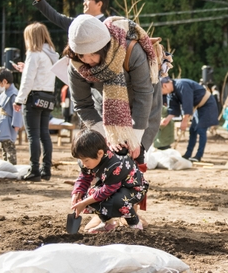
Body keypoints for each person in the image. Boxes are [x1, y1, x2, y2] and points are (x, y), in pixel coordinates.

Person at [66, 15, 162, 166]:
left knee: (133, 155)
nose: (88, 60)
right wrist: (106, 135)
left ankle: (132, 185)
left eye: (93, 53)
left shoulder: (130, 51)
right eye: (81, 55)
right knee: (103, 157)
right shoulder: (76, 67)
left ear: (105, 47)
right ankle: (101, 187)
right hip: (105, 110)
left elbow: (144, 94)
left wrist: (135, 139)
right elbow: (82, 104)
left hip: (143, 105)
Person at [70, 130, 148, 233]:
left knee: (119, 201)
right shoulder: (88, 160)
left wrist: (84, 203)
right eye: (81, 160)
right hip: (113, 187)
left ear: (100, 153)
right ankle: (108, 223)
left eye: (86, 160)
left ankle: (135, 224)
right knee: (87, 195)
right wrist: (77, 193)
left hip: (133, 188)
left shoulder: (114, 165)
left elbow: (107, 190)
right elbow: (84, 177)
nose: (84, 164)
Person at [15, 23, 59, 181]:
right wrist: (25, 68)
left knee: (33, 135)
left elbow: (28, 80)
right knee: (44, 134)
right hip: (48, 97)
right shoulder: (50, 54)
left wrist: (19, 100)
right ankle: (45, 170)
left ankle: (34, 170)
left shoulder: (34, 53)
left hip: (34, 97)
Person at [161, 77, 218, 162]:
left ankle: (198, 156)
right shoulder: (171, 93)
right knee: (192, 130)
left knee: (201, 129)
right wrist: (167, 119)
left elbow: (187, 103)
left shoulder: (182, 85)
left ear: (164, 85)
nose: (162, 94)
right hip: (198, 106)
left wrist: (184, 121)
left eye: (161, 91)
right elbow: (173, 107)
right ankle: (188, 154)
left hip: (207, 104)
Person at [30, 0, 108, 30]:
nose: (84, 3)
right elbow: (57, 18)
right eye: (84, 0)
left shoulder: (108, 27)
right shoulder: (79, 23)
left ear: (99, 4)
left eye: (87, 0)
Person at [0, 68, 22, 165]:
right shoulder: (4, 93)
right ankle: (5, 165)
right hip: (2, 122)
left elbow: (17, 111)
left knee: (9, 147)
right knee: (3, 147)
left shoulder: (13, 94)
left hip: (9, 124)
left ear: (4, 81)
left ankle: (11, 166)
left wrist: (16, 124)